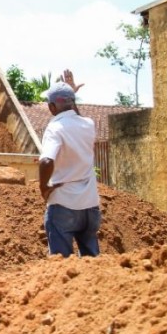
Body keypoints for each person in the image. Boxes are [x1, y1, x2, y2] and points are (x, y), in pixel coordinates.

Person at [39, 69, 101, 257]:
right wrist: (71, 95)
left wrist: (44, 187)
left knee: (62, 264)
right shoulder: (88, 124)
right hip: (90, 205)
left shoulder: (54, 129)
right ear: (72, 103)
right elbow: (77, 119)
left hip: (63, 204)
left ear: (51, 108)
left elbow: (47, 160)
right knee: (93, 264)